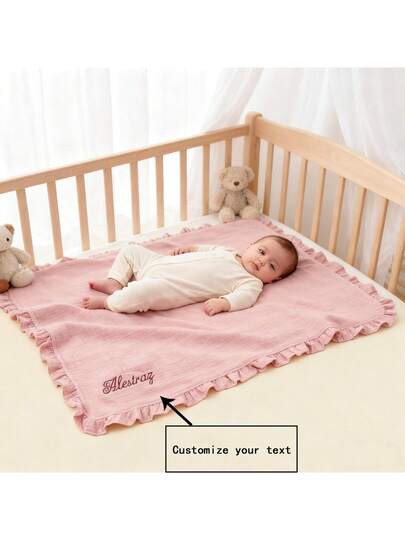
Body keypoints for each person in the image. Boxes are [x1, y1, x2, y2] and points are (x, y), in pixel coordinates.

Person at [81, 235, 298, 316]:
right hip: (160, 263)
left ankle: (109, 302)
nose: (262, 261)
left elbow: (245, 298)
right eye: (261, 252)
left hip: (169, 287)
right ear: (250, 245)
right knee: (131, 250)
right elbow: (206, 248)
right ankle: (114, 281)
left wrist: (225, 303)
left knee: (140, 293)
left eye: (271, 266)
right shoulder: (228, 252)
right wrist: (191, 248)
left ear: (275, 279)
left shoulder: (251, 282)